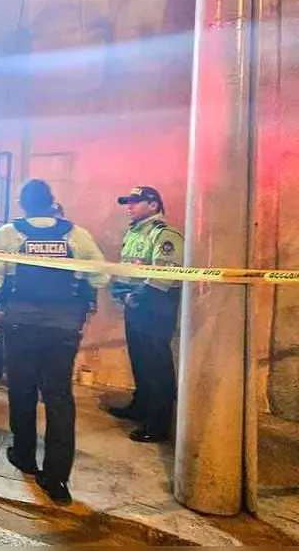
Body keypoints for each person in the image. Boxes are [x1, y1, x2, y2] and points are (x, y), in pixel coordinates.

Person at [0, 180, 109, 505]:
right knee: (59, 397)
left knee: (22, 390)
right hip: (63, 329)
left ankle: (24, 456)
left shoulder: (10, 233)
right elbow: (101, 275)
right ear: (52, 203)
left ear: (23, 203)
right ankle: (57, 479)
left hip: (20, 325)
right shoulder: (75, 234)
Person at [109, 186, 183, 443]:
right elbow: (126, 269)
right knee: (139, 360)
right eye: (128, 202)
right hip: (134, 306)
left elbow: (162, 276)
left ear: (153, 205)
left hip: (154, 306)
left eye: (135, 202)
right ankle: (140, 407)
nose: (129, 207)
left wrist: (133, 298)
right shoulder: (133, 233)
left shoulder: (165, 235)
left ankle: (158, 423)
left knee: (156, 365)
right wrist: (121, 293)